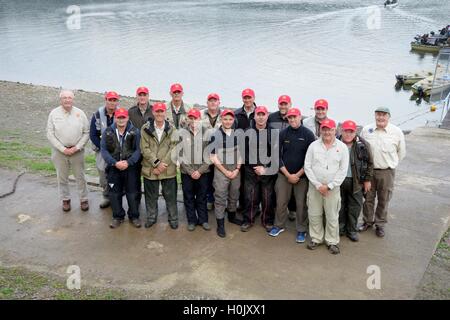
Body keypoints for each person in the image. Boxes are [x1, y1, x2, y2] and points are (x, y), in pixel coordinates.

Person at [268, 108, 316, 243]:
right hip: (284, 174)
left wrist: (298, 174)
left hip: (302, 176)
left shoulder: (308, 134)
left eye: (295, 117)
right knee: (281, 202)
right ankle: (279, 225)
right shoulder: (283, 133)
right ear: (287, 119)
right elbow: (276, 155)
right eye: (290, 118)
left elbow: (310, 158)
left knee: (301, 204)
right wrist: (288, 174)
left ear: (300, 117)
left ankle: (301, 230)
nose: (292, 120)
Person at [304, 119, 349, 255]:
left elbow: (343, 170)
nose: (327, 132)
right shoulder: (313, 146)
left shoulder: (342, 147)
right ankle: (316, 238)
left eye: (330, 129)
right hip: (315, 187)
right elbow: (307, 166)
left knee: (332, 216)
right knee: (314, 214)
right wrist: (318, 185)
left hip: (333, 189)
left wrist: (329, 186)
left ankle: (332, 241)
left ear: (335, 130)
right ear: (320, 130)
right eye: (324, 129)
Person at [359, 107, 406, 237]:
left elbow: (401, 153)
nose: (380, 118)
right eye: (378, 115)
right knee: (368, 198)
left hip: (386, 172)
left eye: (383, 115)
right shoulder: (366, 130)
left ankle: (380, 224)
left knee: (383, 199)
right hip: (369, 171)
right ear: (375, 116)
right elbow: (361, 149)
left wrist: (390, 164)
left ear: (388, 117)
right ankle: (367, 221)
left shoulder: (396, 132)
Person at [47, 90, 90, 212]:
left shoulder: (80, 113)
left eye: (69, 98)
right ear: (60, 100)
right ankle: (65, 199)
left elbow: (86, 133)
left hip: (77, 151)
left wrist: (77, 147)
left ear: (73, 99)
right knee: (62, 177)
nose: (67, 100)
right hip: (59, 152)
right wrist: (63, 149)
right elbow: (50, 134)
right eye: (64, 98)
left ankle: (83, 199)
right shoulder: (53, 114)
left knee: (80, 176)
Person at [100, 108, 142, 229]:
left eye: (123, 117)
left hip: (131, 168)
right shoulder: (108, 132)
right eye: (119, 117)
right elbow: (104, 150)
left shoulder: (135, 132)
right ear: (115, 118)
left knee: (132, 193)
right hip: (114, 168)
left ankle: (134, 216)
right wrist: (114, 163)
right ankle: (117, 216)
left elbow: (139, 150)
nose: (121, 120)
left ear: (127, 118)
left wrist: (129, 162)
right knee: (114, 194)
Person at [140, 102, 179, 229]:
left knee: (170, 196)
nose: (159, 114)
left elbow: (174, 148)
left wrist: (163, 165)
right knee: (151, 196)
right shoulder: (145, 128)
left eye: (161, 111)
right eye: (157, 111)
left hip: (168, 169)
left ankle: (173, 218)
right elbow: (144, 148)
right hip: (151, 168)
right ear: (153, 112)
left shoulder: (172, 129)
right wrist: (156, 163)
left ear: (165, 112)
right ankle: (151, 217)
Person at [241, 106, 278, 232]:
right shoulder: (247, 131)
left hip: (267, 171)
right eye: (258, 114)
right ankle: (248, 220)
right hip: (250, 170)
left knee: (267, 197)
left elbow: (276, 153)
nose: (261, 117)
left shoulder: (273, 133)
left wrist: (265, 168)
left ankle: (267, 220)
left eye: (263, 114)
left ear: (267, 116)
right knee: (250, 196)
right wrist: (254, 166)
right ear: (255, 116)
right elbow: (243, 151)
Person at [338, 120, 374, 242]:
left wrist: (367, 180)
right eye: (345, 131)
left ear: (355, 132)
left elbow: (370, 163)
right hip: (339, 181)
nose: (348, 134)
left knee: (354, 207)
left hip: (356, 182)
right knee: (340, 206)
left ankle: (351, 230)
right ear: (341, 131)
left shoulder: (363, 145)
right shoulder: (335, 142)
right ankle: (341, 228)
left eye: (351, 132)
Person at [210, 109, 243, 237]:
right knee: (220, 197)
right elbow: (213, 157)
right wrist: (225, 171)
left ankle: (232, 216)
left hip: (235, 170)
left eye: (230, 119)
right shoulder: (215, 135)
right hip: (220, 170)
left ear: (233, 120)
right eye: (225, 119)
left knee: (234, 194)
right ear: (221, 120)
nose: (228, 121)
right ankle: (220, 225)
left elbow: (241, 154)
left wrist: (237, 169)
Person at [179, 108, 211, 231]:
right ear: (187, 119)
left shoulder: (207, 133)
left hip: (203, 172)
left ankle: (203, 220)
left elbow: (209, 156)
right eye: (190, 118)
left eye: (195, 118)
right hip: (187, 173)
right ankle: (192, 220)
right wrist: (191, 171)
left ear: (200, 119)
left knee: (202, 197)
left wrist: (199, 171)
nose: (193, 121)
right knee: (189, 197)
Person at [268, 94, 297, 221]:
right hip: (274, 155)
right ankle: (276, 209)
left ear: (290, 104)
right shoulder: (272, 117)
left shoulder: (294, 117)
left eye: (286, 104)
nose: (283, 106)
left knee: (292, 185)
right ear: (278, 104)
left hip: (289, 155)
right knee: (276, 185)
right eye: (281, 104)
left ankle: (292, 210)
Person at [90, 91, 119, 209]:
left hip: (117, 151)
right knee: (103, 175)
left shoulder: (121, 113)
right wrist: (103, 149)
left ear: (117, 101)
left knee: (116, 175)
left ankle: (116, 197)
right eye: (110, 100)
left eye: (114, 100)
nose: (112, 102)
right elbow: (93, 135)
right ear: (105, 100)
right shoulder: (97, 114)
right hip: (102, 150)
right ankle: (106, 196)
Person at [128, 86, 153, 207]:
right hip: (135, 150)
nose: (142, 97)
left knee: (150, 178)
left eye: (144, 95)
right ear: (137, 97)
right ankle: (136, 203)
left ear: (148, 96)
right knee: (135, 179)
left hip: (150, 150)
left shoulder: (154, 110)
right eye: (140, 95)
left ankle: (151, 204)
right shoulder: (131, 111)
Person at [234, 88, 257, 217]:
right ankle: (242, 205)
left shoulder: (260, 113)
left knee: (254, 181)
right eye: (245, 98)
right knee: (242, 181)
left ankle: (255, 206)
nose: (247, 100)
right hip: (240, 151)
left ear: (253, 98)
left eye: (249, 97)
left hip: (256, 152)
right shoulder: (237, 113)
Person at [200, 93, 223, 211]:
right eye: (210, 100)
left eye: (215, 100)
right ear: (207, 102)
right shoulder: (200, 114)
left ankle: (218, 201)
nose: (213, 102)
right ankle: (208, 200)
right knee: (206, 178)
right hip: (204, 151)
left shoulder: (225, 115)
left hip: (220, 153)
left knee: (218, 178)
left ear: (219, 102)